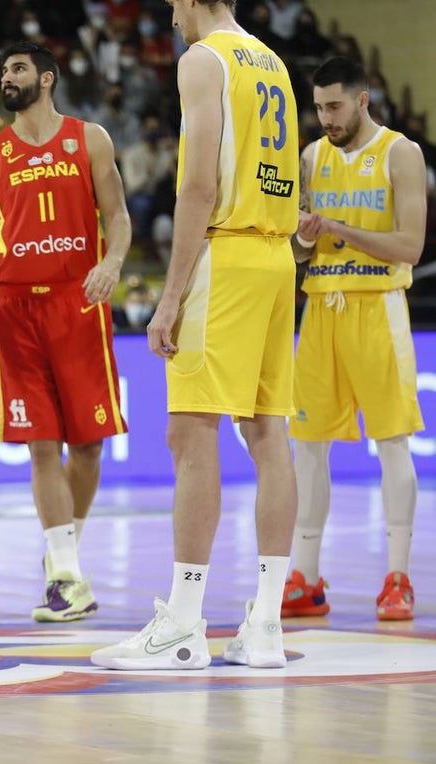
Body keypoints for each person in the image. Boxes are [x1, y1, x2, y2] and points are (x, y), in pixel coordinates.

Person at [92, 0, 301, 671]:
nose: (170, 11)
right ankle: (265, 622)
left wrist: (171, 295)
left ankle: (184, 621)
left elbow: (200, 185)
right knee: (269, 432)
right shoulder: (271, 61)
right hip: (277, 258)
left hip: (229, 256)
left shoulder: (202, 61)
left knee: (190, 432)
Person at [0, 41, 132, 624]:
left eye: (18, 69)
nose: (7, 77)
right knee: (42, 443)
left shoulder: (90, 138)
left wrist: (112, 263)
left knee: (88, 444)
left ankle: (66, 552)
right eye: (3, 70)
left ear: (47, 79)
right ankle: (65, 573)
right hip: (17, 310)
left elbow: (120, 217)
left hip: (79, 302)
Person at [284, 56, 427, 621]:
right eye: (319, 107)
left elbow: (410, 246)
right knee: (308, 446)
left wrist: (338, 229)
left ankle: (398, 577)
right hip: (321, 308)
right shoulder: (312, 157)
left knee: (392, 441)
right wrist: (301, 238)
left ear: (363, 100)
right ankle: (306, 579)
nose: (326, 117)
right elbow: (299, 250)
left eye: (335, 106)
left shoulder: (401, 153)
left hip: (378, 306)